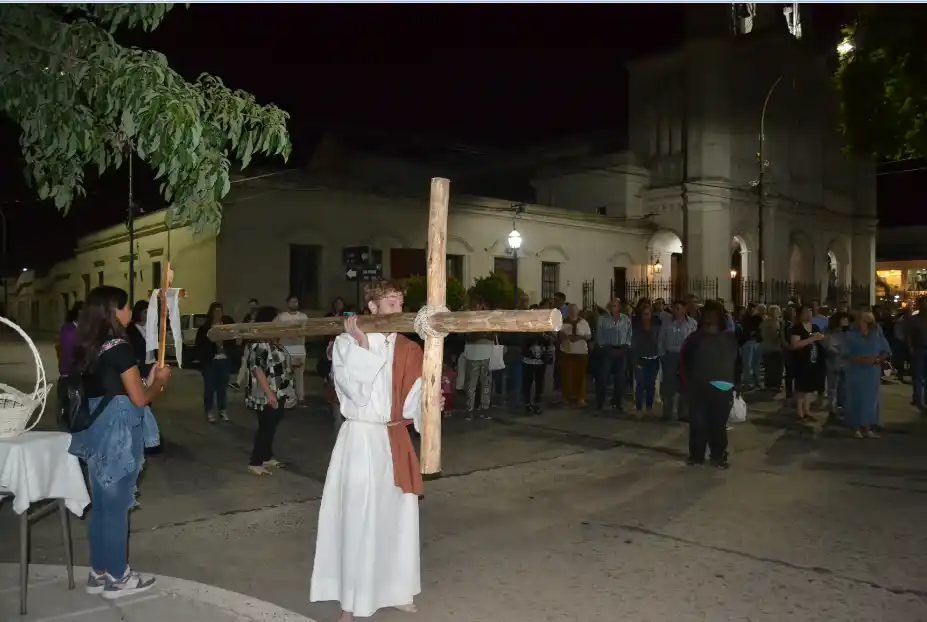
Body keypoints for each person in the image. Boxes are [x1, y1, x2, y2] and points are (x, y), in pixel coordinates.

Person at [310, 279, 443, 621]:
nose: (399, 308)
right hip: (359, 439)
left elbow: (413, 401)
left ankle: (396, 589)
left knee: (396, 519)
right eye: (391, 302)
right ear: (373, 307)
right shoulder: (346, 342)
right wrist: (362, 345)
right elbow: (352, 392)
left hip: (392, 439)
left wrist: (430, 404)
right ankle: (351, 601)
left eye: (400, 302)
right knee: (358, 518)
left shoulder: (409, 348)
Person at [67, 286, 171, 598]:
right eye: (126, 307)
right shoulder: (120, 347)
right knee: (116, 509)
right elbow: (139, 399)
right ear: (115, 311)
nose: (130, 312)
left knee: (102, 506)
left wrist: (148, 379)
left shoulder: (89, 347)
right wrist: (159, 384)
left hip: (96, 432)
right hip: (119, 434)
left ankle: (98, 572)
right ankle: (118, 577)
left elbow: (116, 387)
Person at [680, 301, 738, 468]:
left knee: (718, 425)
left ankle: (718, 455)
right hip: (698, 389)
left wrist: (736, 383)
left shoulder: (729, 338)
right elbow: (683, 362)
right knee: (698, 424)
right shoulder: (694, 339)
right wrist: (687, 384)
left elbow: (737, 362)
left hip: (723, 389)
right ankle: (697, 456)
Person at [244, 305, 294, 475]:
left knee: (271, 426)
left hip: (278, 390)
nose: (279, 323)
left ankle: (266, 456)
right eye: (276, 319)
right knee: (266, 426)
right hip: (266, 393)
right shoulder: (259, 343)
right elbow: (256, 368)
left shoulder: (272, 341)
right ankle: (255, 461)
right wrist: (269, 393)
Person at [841, 306, 891, 438]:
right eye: (864, 320)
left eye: (869, 321)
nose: (867, 324)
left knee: (871, 399)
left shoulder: (877, 333)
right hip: (855, 371)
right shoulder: (850, 334)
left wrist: (878, 359)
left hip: (872, 372)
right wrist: (862, 360)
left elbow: (886, 350)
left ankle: (868, 427)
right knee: (856, 397)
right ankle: (856, 427)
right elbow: (845, 354)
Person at [658, 300, 697, 422]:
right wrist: (662, 355)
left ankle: (683, 413)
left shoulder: (692, 323)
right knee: (668, 385)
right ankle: (667, 412)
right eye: (674, 309)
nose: (675, 311)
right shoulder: (667, 323)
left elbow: (695, 340)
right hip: (670, 355)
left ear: (684, 309)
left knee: (685, 385)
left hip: (685, 357)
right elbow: (661, 339)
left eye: (678, 309)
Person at [196, 302, 234, 423]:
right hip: (210, 361)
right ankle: (209, 410)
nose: (218, 314)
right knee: (209, 388)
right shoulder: (205, 329)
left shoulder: (226, 327)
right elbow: (200, 346)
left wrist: (226, 350)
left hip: (224, 360)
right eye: (216, 312)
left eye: (220, 312)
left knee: (222, 388)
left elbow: (232, 342)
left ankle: (222, 409)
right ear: (211, 313)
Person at [592, 298, 632, 412]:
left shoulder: (625, 319)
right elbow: (599, 336)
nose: (613, 308)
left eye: (615, 306)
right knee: (603, 378)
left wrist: (625, 347)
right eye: (611, 306)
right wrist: (608, 349)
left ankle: (617, 402)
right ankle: (600, 402)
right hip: (607, 351)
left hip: (621, 350)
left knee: (620, 379)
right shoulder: (602, 319)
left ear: (619, 307)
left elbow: (629, 335)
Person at [790, 304, 826, 422]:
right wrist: (811, 339)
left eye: (810, 311)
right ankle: (800, 412)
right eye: (806, 312)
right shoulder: (797, 328)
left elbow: (821, 339)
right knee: (801, 388)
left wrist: (821, 337)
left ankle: (807, 410)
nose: (809, 314)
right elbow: (795, 345)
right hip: (801, 362)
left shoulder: (814, 327)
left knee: (809, 389)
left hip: (814, 361)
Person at [631, 300, 661, 417]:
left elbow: (659, 342)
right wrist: (634, 361)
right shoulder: (637, 328)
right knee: (640, 384)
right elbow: (633, 345)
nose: (646, 316)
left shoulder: (656, 327)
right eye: (644, 314)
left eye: (648, 314)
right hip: (640, 359)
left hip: (653, 359)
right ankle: (639, 409)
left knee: (651, 385)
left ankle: (649, 408)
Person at [278, 295, 310, 405]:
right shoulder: (281, 317)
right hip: (284, 347)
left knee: (299, 374)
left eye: (296, 301)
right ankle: (288, 397)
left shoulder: (303, 316)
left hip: (298, 348)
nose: (294, 304)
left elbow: (304, 330)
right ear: (287, 303)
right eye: (292, 302)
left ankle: (300, 397)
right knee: (285, 373)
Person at [55, 301, 82, 430]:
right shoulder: (69, 330)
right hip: (70, 373)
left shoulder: (86, 329)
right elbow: (67, 352)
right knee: (70, 406)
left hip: (80, 373)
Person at [559, 303, 592, 406]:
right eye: (570, 310)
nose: (572, 312)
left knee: (581, 375)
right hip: (567, 351)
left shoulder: (583, 322)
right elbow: (558, 335)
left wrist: (579, 337)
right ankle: (567, 396)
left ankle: (580, 397)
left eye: (574, 310)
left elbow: (589, 336)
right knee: (567, 375)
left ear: (577, 311)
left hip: (581, 352)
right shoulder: (563, 322)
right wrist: (564, 336)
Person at [824, 311, 851, 420]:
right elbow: (829, 347)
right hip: (834, 364)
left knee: (843, 388)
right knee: (833, 388)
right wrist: (839, 351)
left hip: (845, 364)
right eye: (844, 319)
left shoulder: (848, 332)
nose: (847, 321)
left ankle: (842, 407)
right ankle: (833, 409)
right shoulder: (830, 333)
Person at [230, 298, 260, 391]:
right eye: (251, 306)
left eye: (254, 306)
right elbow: (243, 329)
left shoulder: (260, 318)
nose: (252, 308)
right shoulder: (247, 317)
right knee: (244, 363)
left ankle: (250, 385)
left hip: (257, 344)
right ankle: (239, 383)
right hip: (248, 343)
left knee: (253, 365)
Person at [759, 305, 784, 390]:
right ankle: (769, 384)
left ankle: (777, 384)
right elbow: (762, 334)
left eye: (776, 312)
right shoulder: (765, 322)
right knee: (769, 367)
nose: (774, 313)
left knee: (777, 368)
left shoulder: (780, 322)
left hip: (777, 348)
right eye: (772, 311)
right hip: (768, 347)